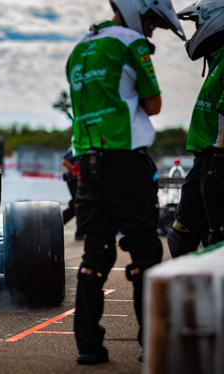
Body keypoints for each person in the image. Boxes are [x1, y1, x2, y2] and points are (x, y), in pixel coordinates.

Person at [65, 0, 185, 365]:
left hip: (87, 164)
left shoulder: (80, 47)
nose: (149, 32)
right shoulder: (130, 44)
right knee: (146, 255)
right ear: (138, 12)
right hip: (126, 166)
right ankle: (152, 345)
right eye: (151, 24)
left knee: (94, 257)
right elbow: (154, 105)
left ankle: (89, 347)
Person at [167, 0, 224, 258]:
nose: (195, 31)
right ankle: (194, 297)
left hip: (218, 159)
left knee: (217, 240)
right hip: (203, 158)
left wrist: (220, 159)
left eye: (197, 23)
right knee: (181, 238)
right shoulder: (218, 57)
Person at [61, 148, 84, 240]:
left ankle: (80, 232)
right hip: (73, 179)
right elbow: (65, 162)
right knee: (78, 204)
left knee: (77, 204)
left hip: (77, 179)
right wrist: (77, 172)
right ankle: (53, 224)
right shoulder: (77, 145)